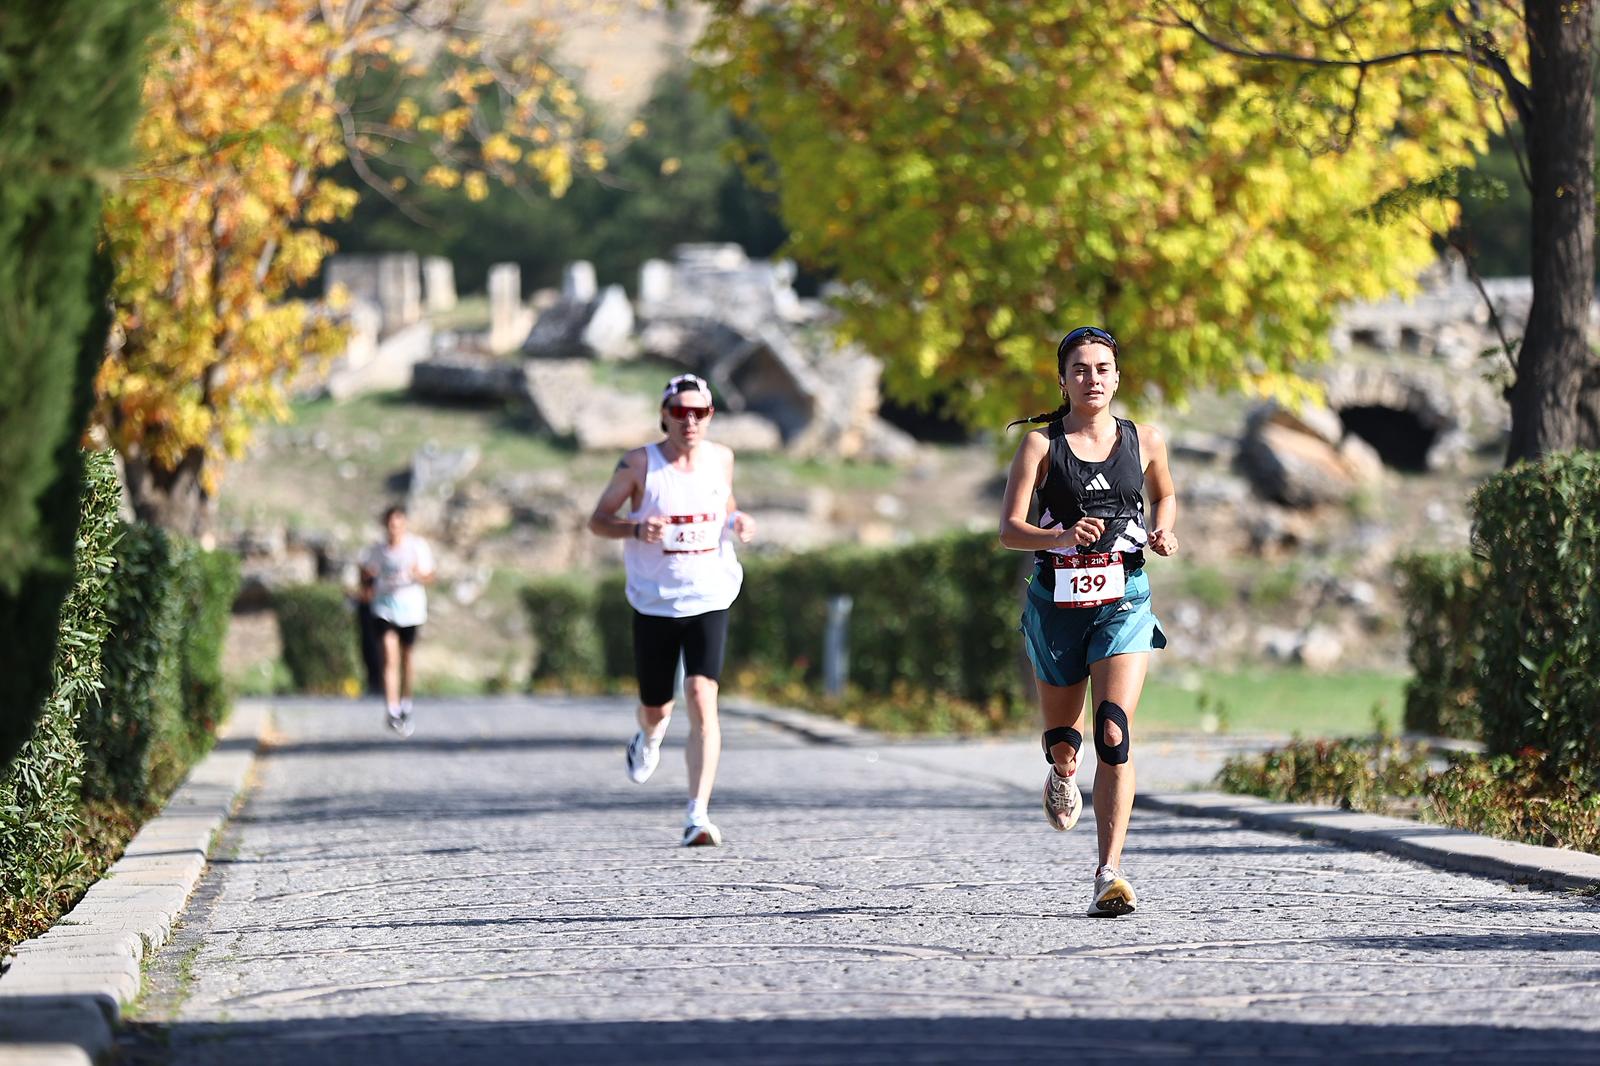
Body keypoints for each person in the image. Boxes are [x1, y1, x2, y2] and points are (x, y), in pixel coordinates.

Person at [998, 326, 1178, 917]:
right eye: (1080, 369)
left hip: (1124, 596)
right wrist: (1059, 534)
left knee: (1113, 731)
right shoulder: (1040, 447)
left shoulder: (1145, 439)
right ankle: (1059, 768)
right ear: (1063, 379)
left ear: (1117, 377)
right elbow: (1008, 531)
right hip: (1057, 603)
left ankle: (1109, 872)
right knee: (1065, 742)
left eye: (1102, 368)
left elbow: (1165, 495)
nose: (1092, 379)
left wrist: (1164, 529)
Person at [588, 373, 756, 847]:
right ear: (664, 414)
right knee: (656, 707)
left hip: (710, 594)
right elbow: (598, 521)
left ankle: (697, 814)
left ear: (710, 417)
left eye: (699, 412)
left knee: (703, 694)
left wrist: (738, 521)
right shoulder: (639, 464)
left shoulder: (722, 458)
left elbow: (726, 507)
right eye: (680, 412)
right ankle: (649, 737)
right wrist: (635, 531)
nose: (689, 421)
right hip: (655, 602)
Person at [359, 505, 436, 738]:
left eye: (398, 524)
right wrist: (367, 581)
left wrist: (417, 575)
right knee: (389, 657)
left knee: (407, 659)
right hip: (385, 608)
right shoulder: (377, 550)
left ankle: (406, 703)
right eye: (390, 524)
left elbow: (430, 575)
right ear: (385, 525)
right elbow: (365, 572)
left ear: (404, 524)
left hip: (411, 609)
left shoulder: (416, 547)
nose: (394, 529)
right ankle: (392, 709)